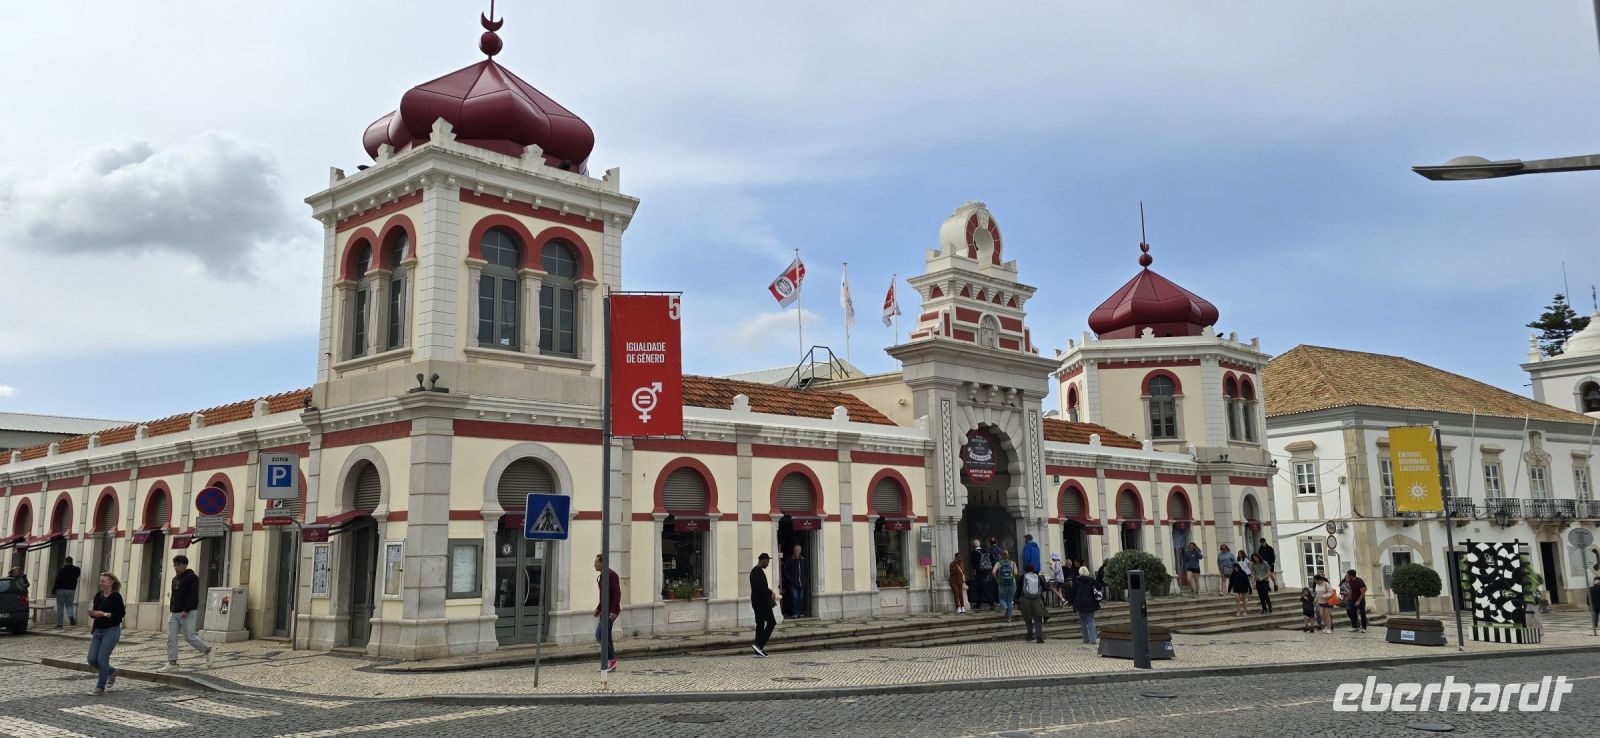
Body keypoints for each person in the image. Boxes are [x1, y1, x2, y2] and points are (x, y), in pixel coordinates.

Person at [158, 555, 213, 672]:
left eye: (178, 565)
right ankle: (172, 662)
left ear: (184, 565)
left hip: (188, 612)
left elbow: (193, 595)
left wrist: (186, 610)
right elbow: (174, 596)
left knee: (189, 636)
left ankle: (208, 650)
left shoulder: (192, 578)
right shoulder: (175, 579)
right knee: (171, 638)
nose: (176, 567)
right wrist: (172, 609)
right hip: (174, 613)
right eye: (175, 565)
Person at [86, 573, 124, 696]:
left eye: (103, 581)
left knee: (102, 659)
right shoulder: (98, 595)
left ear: (111, 582)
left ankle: (100, 688)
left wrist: (104, 614)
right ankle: (112, 671)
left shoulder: (116, 596)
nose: (101, 583)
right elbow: (96, 611)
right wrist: (93, 613)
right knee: (92, 659)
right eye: (100, 581)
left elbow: (120, 614)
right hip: (98, 630)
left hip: (111, 630)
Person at [593, 554, 621, 671]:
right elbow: (604, 595)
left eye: (596, 562)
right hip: (604, 611)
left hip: (610, 612)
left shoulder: (611, 575)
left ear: (602, 563)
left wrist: (614, 611)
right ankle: (611, 662)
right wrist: (599, 608)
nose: (594, 564)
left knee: (600, 635)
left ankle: (611, 660)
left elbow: (617, 594)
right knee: (607, 637)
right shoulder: (603, 576)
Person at [750, 553, 777, 657]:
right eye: (768, 561)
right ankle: (759, 644)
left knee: (760, 624)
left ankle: (758, 650)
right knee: (771, 622)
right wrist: (771, 593)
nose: (768, 564)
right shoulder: (757, 571)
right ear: (763, 560)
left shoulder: (755, 571)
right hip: (761, 602)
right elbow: (760, 587)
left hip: (757, 602)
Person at [1070, 566, 1100, 644]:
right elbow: (1099, 587)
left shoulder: (1076, 581)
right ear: (1087, 572)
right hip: (1091, 602)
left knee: (1083, 621)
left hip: (1080, 603)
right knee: (1091, 621)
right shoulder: (1092, 580)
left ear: (1079, 572)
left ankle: (1086, 639)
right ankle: (1093, 639)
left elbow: (1072, 593)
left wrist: (1071, 602)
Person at [1018, 564, 1047, 643]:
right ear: (1033, 569)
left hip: (1026, 600)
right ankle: (1039, 637)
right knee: (1038, 619)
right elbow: (1044, 588)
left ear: (1025, 570)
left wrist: (1018, 600)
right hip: (1037, 600)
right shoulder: (1037, 577)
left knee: (1028, 618)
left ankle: (1030, 636)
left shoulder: (1022, 577)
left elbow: (1019, 590)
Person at [54, 556, 81, 628]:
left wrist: (54, 590)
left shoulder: (62, 570)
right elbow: (77, 576)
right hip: (71, 589)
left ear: (65, 561)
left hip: (61, 589)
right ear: (72, 561)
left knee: (60, 606)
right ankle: (70, 616)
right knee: (69, 605)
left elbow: (57, 580)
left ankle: (60, 624)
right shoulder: (77, 569)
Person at [782, 544, 808, 618]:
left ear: (800, 551)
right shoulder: (790, 560)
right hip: (793, 583)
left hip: (801, 583)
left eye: (798, 550)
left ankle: (799, 612)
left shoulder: (803, 560)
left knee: (800, 598)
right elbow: (785, 570)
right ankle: (795, 613)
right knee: (795, 598)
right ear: (793, 551)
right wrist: (790, 579)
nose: (797, 552)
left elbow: (806, 570)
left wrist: (805, 579)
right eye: (796, 550)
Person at [969, 539, 993, 611]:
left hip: (979, 572)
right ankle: (978, 603)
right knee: (980, 588)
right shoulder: (984, 551)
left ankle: (992, 601)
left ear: (973, 545)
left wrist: (974, 570)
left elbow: (974, 564)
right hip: (985, 571)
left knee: (982, 588)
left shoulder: (974, 552)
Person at [995, 550, 1018, 621]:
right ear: (1008, 555)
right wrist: (1012, 578)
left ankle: (1006, 608)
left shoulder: (998, 563)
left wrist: (997, 579)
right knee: (1010, 601)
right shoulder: (1013, 563)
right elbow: (1016, 573)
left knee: (1002, 599)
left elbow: (993, 572)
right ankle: (1009, 618)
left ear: (1001, 555)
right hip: (1011, 583)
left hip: (1001, 583)